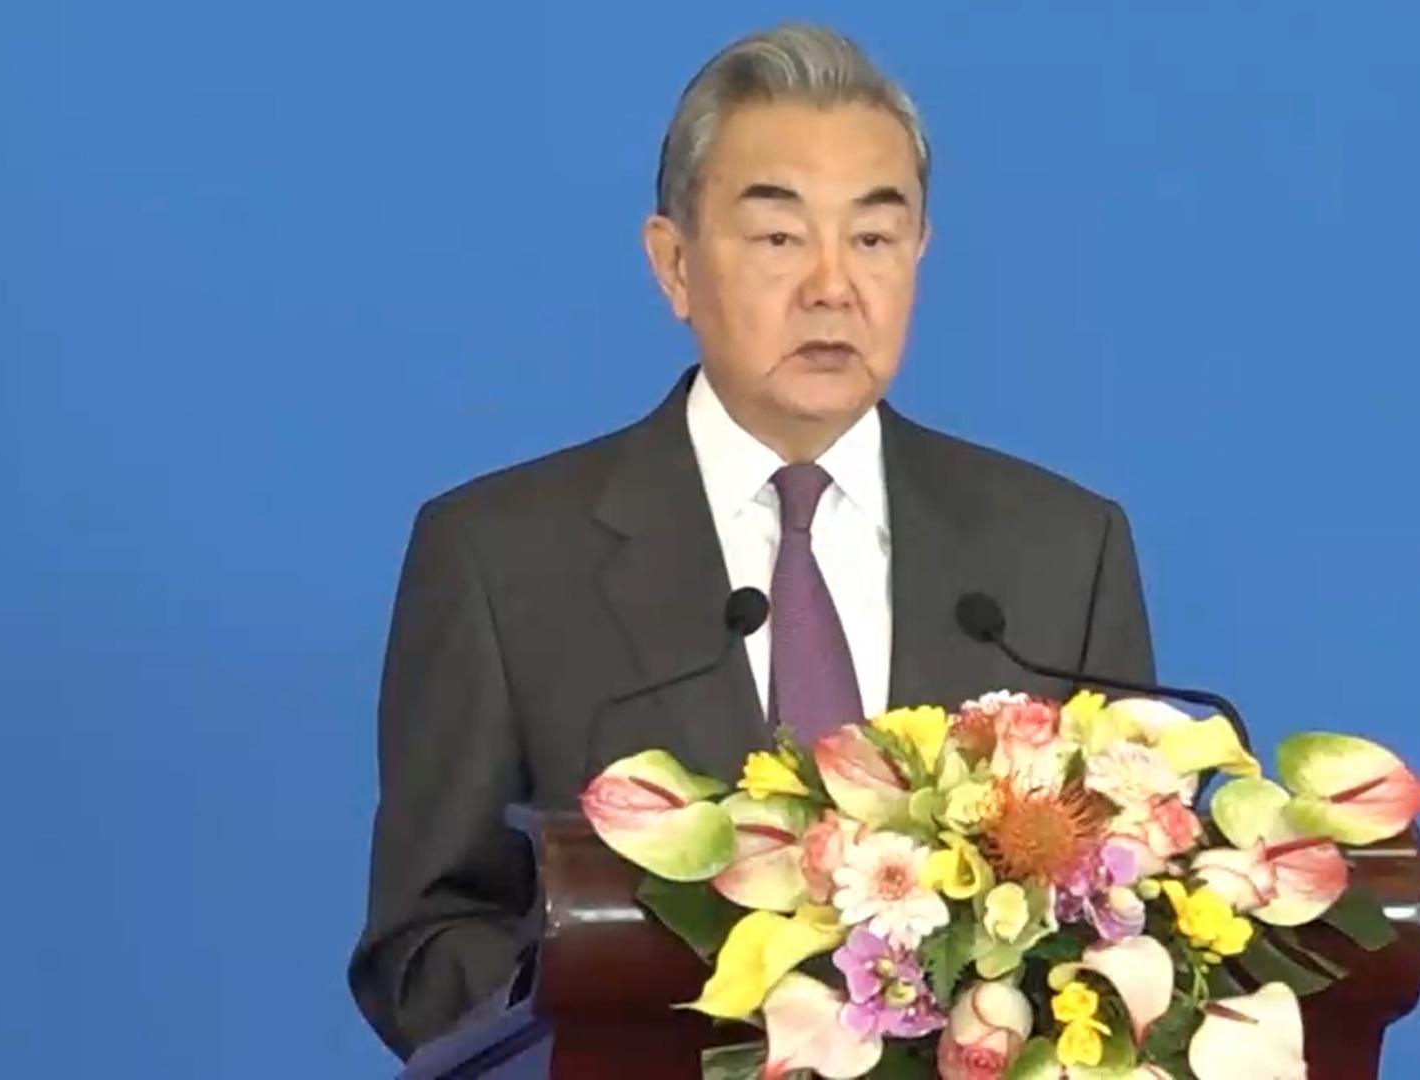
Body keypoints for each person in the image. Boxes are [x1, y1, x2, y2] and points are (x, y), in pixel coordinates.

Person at [349, 23, 1158, 1060]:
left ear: (919, 254)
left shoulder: (1061, 554)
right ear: (674, 265)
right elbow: (422, 947)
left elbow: (1128, 912)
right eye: (778, 238)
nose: (832, 286)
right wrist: (600, 1010)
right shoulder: (501, 562)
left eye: (873, 238)